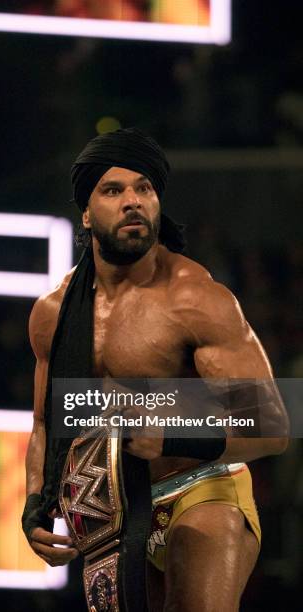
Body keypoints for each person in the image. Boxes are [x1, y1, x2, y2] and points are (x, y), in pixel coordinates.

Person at [22, 127, 288, 611]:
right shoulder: (54, 313)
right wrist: (34, 504)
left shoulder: (195, 299)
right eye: (113, 190)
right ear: (86, 211)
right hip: (114, 509)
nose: (132, 201)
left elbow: (273, 426)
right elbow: (47, 422)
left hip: (204, 488)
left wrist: (172, 436)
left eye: (144, 188)